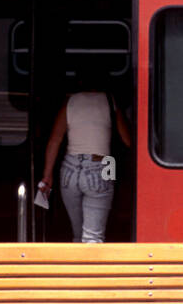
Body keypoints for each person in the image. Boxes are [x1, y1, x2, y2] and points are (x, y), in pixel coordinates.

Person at [39, 66, 133, 243]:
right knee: (92, 237)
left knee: (77, 234)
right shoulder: (109, 100)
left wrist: (47, 174)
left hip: (69, 170)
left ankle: (77, 268)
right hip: (103, 166)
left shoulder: (70, 101)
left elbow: (54, 140)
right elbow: (128, 141)